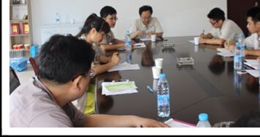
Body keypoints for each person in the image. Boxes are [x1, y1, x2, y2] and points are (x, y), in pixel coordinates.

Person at [9, 34, 167, 128]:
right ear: (78, 82)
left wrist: (136, 121)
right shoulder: (49, 121)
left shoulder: (45, 88)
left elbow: (86, 121)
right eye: (89, 74)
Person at [76, 14, 121, 79]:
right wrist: (112, 63)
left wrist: (110, 59)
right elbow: (91, 72)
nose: (103, 38)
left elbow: (97, 57)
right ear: (93, 31)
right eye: (102, 34)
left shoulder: (91, 44)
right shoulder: (81, 46)